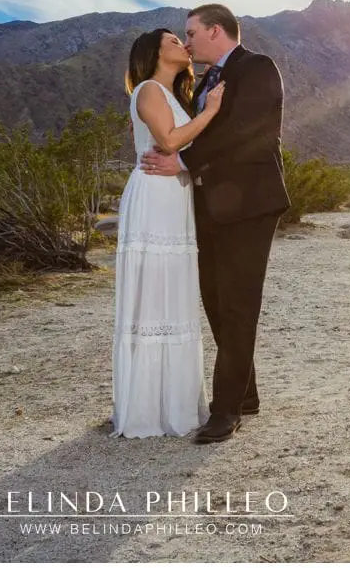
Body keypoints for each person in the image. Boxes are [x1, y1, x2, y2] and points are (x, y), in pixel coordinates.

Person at [140, 4, 290, 444]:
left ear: (216, 30)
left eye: (190, 33)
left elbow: (244, 130)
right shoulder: (206, 82)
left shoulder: (257, 68)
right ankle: (246, 395)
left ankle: (226, 412)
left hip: (251, 204)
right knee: (215, 301)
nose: (186, 42)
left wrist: (183, 161)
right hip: (209, 206)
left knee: (238, 305)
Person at [113, 28, 226, 438]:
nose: (184, 45)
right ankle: (145, 409)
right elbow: (169, 141)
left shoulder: (173, 96)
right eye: (175, 41)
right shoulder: (148, 90)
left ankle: (171, 402)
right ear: (156, 53)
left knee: (172, 292)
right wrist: (210, 112)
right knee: (154, 293)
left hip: (173, 196)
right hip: (154, 196)